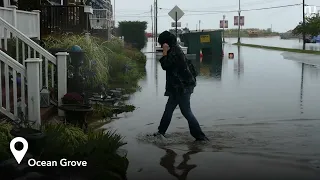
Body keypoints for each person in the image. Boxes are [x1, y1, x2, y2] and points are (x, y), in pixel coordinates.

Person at [152, 31, 209, 141]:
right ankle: (161, 133)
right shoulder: (175, 48)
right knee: (168, 109)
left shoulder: (173, 51)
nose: (161, 45)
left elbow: (165, 65)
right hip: (178, 87)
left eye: (161, 44)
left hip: (182, 87)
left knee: (186, 111)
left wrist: (164, 51)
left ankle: (201, 137)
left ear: (165, 42)